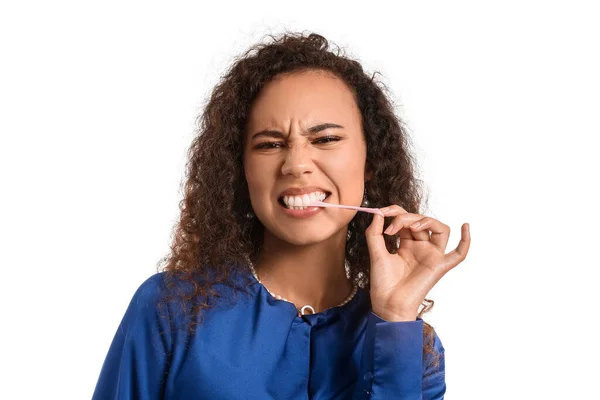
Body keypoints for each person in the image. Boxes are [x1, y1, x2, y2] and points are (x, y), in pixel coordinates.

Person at [92, 31, 471, 399]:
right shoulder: (171, 307)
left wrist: (395, 317)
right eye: (270, 144)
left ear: (370, 160)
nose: (296, 164)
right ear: (239, 169)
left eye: (325, 139)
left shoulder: (414, 348)